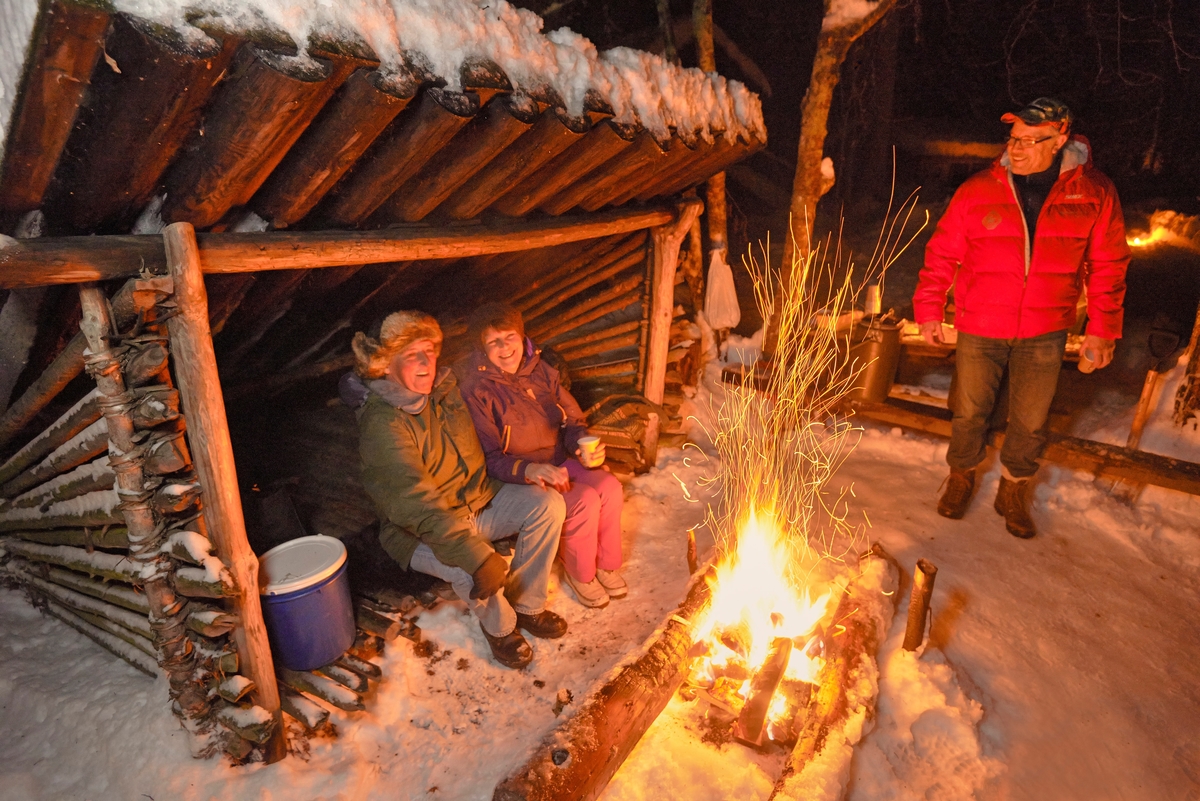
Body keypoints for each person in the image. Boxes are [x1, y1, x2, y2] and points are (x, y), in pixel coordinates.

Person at [913, 97, 1130, 538]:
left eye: (1032, 140)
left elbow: (1109, 264)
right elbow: (942, 252)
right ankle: (960, 476)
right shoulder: (978, 189)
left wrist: (1103, 330)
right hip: (980, 324)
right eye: (1014, 139)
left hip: (1045, 329)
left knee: (1031, 418)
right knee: (970, 412)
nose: (1018, 148)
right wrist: (930, 307)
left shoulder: (1094, 193)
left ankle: (1013, 487)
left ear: (1061, 139)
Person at [350, 311, 568, 669]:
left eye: (429, 351)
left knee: (547, 505)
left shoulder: (445, 392)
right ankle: (501, 628)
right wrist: (479, 557)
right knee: (468, 567)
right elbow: (415, 507)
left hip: (477, 500)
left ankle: (527, 605)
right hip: (418, 530)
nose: (425, 363)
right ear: (385, 364)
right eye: (411, 354)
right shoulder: (383, 423)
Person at [457, 303, 626, 609]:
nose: (504, 347)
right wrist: (529, 469)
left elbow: (572, 422)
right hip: (519, 475)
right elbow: (489, 456)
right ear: (482, 349)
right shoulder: (477, 390)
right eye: (493, 342)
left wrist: (581, 448)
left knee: (609, 487)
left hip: (558, 460)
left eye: (509, 337)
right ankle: (582, 573)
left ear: (523, 338)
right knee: (583, 500)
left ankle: (606, 563)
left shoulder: (542, 372)